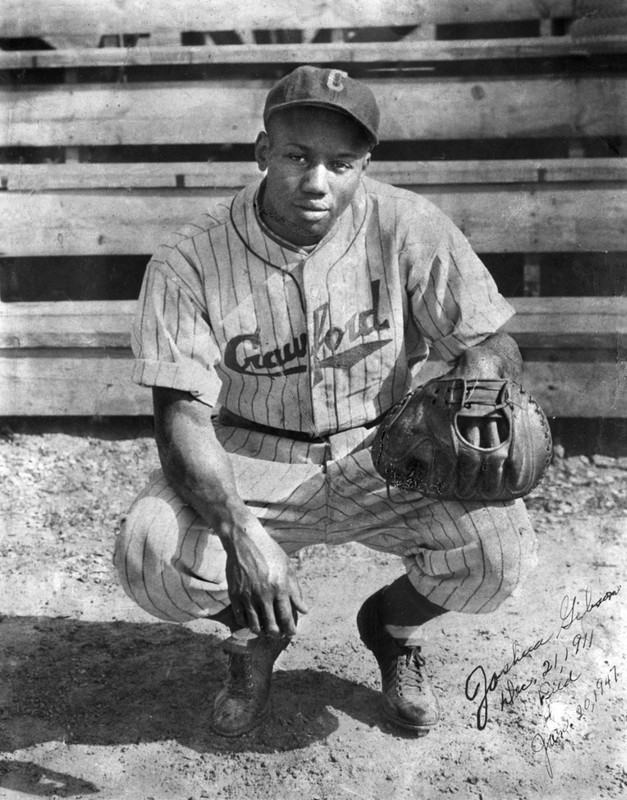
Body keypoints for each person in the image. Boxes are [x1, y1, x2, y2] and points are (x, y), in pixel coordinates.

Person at [114, 66, 536, 738]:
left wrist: (479, 385)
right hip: (250, 454)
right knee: (151, 555)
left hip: (386, 451)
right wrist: (243, 537)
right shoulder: (188, 259)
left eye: (341, 163)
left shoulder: (406, 224)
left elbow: (489, 341)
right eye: (296, 156)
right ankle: (254, 634)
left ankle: (389, 628)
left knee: (497, 555)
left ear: (362, 163)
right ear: (261, 153)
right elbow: (181, 419)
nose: (317, 181)